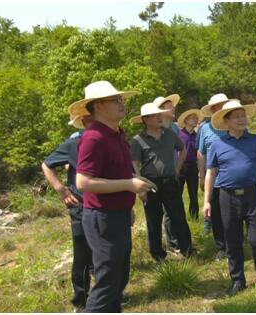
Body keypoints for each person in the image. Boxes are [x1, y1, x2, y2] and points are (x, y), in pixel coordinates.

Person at [73, 81, 156, 312]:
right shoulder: (93, 138)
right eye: (115, 100)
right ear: (97, 106)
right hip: (102, 218)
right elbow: (83, 182)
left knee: (119, 279)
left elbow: (114, 172)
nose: (122, 103)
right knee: (108, 283)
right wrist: (130, 184)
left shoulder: (117, 133)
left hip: (116, 216)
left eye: (121, 99)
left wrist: (127, 203)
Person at [204, 99, 256, 296]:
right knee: (232, 240)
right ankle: (238, 280)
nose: (242, 119)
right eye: (236, 117)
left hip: (252, 195)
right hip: (227, 197)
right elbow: (211, 173)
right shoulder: (218, 145)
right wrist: (207, 201)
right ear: (226, 121)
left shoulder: (255, 140)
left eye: (243, 115)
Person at [41, 112, 94, 312]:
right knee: (82, 255)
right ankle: (81, 301)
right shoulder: (74, 144)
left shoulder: (111, 140)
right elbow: (46, 164)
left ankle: (108, 293)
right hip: (80, 207)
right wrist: (61, 189)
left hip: (105, 208)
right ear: (85, 122)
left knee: (104, 253)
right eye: (90, 119)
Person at [130, 103, 193, 261]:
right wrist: (140, 187)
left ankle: (187, 250)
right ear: (145, 120)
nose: (159, 118)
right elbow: (134, 164)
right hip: (150, 184)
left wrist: (177, 169)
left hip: (170, 181)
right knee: (154, 220)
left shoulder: (170, 134)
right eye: (154, 116)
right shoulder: (138, 140)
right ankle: (158, 254)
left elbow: (182, 149)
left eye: (159, 115)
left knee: (178, 216)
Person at [197, 93, 230, 260]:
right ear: (212, 109)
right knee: (215, 215)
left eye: (224, 105)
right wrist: (202, 176)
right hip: (213, 178)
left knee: (233, 214)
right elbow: (201, 153)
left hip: (232, 178)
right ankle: (221, 247)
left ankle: (234, 243)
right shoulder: (204, 128)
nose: (221, 108)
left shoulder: (234, 124)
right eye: (218, 106)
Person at [153, 94, 181, 251]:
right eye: (169, 106)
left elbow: (181, 149)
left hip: (172, 173)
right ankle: (171, 243)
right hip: (157, 176)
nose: (173, 108)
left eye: (173, 105)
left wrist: (177, 167)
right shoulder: (156, 128)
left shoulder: (175, 128)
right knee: (164, 213)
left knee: (175, 209)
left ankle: (177, 240)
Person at [177, 109, 204, 220]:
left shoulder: (197, 136)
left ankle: (194, 218)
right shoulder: (179, 135)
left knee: (193, 194)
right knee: (178, 194)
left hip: (193, 167)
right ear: (186, 120)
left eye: (196, 118)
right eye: (193, 118)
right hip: (180, 166)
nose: (195, 120)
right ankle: (179, 217)